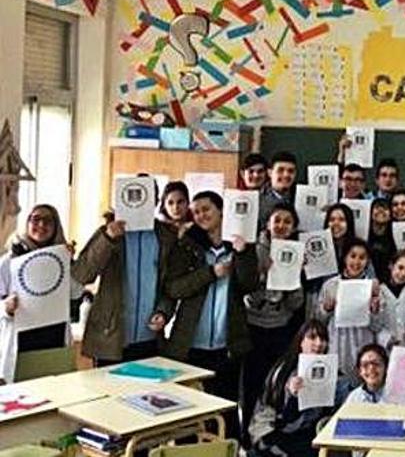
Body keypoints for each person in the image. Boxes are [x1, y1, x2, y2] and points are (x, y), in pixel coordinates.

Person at [161, 191, 258, 438]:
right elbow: (174, 287)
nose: (201, 215)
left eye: (207, 209)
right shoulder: (189, 246)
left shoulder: (241, 245)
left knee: (226, 412)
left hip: (227, 347)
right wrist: (210, 273)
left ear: (221, 211)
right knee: (189, 413)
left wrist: (244, 252)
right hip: (190, 345)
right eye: (197, 211)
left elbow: (249, 284)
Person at [73, 181, 189, 366]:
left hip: (150, 339)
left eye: (145, 197)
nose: (138, 202)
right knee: (110, 393)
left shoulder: (166, 236)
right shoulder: (109, 233)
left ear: (155, 201)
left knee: (149, 394)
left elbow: (171, 286)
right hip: (111, 338)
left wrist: (164, 312)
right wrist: (107, 239)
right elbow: (82, 274)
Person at [241, 202, 304, 445]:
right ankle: (246, 438)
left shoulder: (295, 251)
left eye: (288, 222)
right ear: (267, 223)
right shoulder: (255, 249)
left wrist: (295, 276)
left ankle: (268, 437)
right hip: (254, 327)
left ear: (294, 227)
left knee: (275, 386)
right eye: (277, 220)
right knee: (252, 384)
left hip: (281, 329)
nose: (281, 226)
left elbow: (295, 304)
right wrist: (263, 276)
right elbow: (246, 297)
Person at [0, 204, 81, 383]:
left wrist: (70, 264)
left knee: (56, 394)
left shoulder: (63, 259)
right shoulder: (8, 262)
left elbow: (76, 293)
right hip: (21, 345)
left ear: (56, 226)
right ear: (27, 223)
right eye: (36, 219)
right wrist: (5, 307)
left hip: (54, 341)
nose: (42, 225)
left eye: (48, 221)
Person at [249, 320, 348, 457]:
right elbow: (279, 414)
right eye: (312, 337)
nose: (319, 343)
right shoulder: (283, 370)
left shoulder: (334, 373)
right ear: (301, 342)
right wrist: (292, 395)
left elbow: (338, 411)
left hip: (312, 431)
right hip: (276, 426)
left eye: (323, 339)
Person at [314, 239, 385, 381]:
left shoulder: (373, 287)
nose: (357, 262)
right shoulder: (330, 285)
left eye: (362, 257)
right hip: (336, 347)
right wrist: (326, 309)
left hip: (362, 347)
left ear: (368, 261)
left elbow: (377, 326)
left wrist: (375, 310)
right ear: (345, 258)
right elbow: (318, 322)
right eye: (352, 256)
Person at [259, 151, 297, 229]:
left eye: (291, 171)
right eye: (280, 170)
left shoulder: (302, 198)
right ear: (270, 173)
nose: (286, 175)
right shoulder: (257, 200)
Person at [367, 198, 395, 284]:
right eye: (377, 208)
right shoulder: (363, 233)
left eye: (385, 209)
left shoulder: (395, 234)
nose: (381, 210)